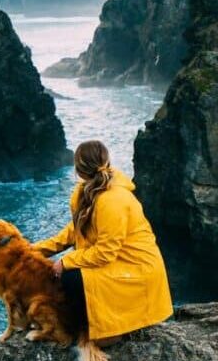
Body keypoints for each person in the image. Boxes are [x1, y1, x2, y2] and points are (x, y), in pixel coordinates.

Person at [32, 140, 173, 345]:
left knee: (71, 277)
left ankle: (111, 331)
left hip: (136, 269)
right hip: (120, 261)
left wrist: (66, 261)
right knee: (68, 276)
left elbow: (106, 252)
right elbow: (73, 232)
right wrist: (32, 250)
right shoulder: (86, 192)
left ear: (79, 169)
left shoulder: (113, 200)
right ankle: (91, 325)